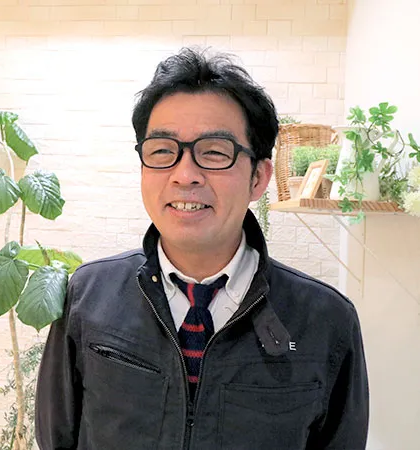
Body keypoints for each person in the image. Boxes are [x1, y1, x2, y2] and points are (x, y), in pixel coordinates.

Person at [35, 48, 369, 450]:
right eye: (162, 151)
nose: (185, 174)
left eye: (213, 152)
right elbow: (57, 437)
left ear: (259, 177)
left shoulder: (326, 320)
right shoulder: (88, 296)